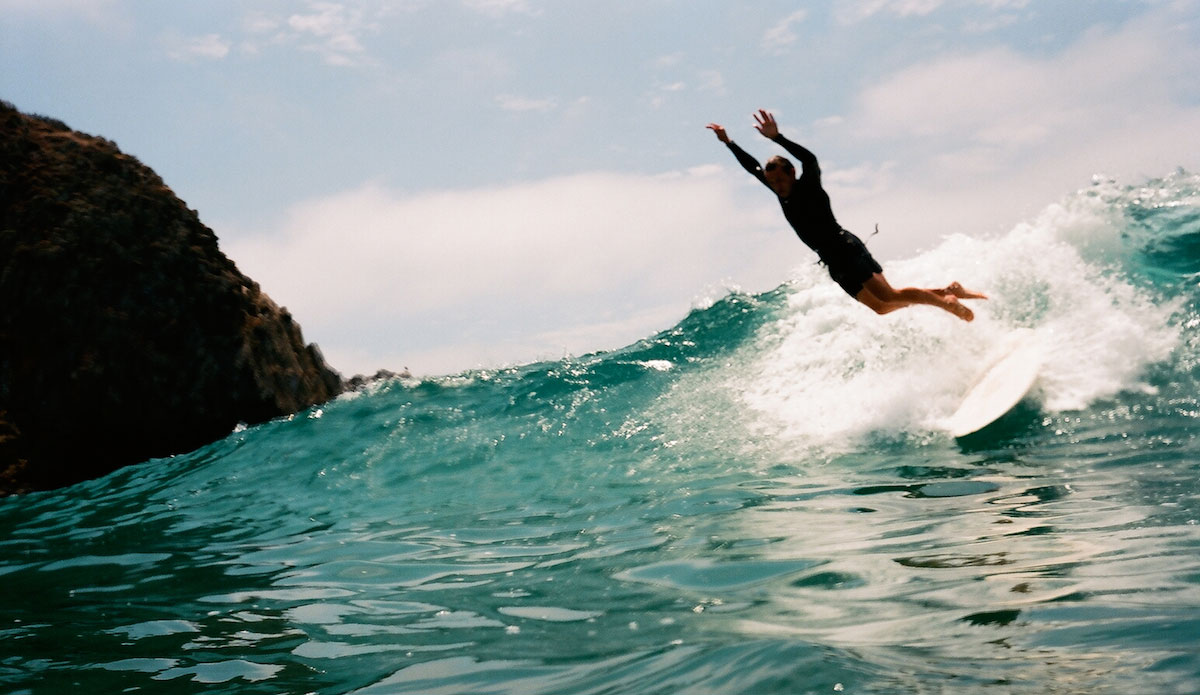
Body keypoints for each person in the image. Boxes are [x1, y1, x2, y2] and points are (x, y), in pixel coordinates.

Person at [707, 110, 985, 321]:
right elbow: (752, 167)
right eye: (772, 183)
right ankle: (948, 291)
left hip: (844, 246)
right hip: (831, 259)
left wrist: (777, 138)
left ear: (791, 173)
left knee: (890, 295)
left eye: (780, 180)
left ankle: (946, 303)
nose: (776, 186)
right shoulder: (780, 191)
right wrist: (728, 142)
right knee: (882, 308)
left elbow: (809, 160)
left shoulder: (809, 186)